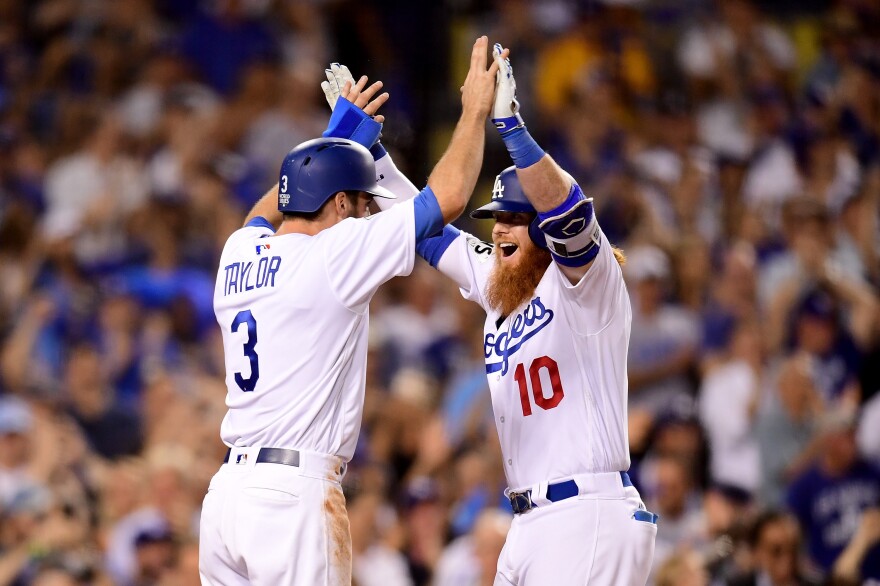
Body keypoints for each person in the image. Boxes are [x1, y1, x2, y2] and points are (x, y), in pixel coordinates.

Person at [320, 43, 656, 584]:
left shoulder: (589, 284)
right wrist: (369, 155)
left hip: (588, 513)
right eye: (496, 217)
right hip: (529, 520)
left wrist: (512, 129)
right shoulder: (502, 285)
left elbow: (568, 211)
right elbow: (426, 231)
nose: (499, 228)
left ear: (544, 231)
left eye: (515, 218)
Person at [198, 36, 504, 586]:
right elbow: (449, 197)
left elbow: (263, 212)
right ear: (340, 203)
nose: (368, 212)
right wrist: (476, 112)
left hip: (227, 499)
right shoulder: (334, 253)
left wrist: (332, 139)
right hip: (294, 496)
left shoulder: (239, 252)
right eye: (363, 202)